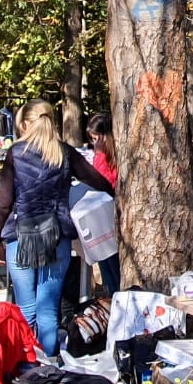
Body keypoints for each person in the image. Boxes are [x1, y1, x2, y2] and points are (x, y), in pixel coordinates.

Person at [0, 99, 112, 358]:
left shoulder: (16, 152)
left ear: (25, 125)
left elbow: (4, 203)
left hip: (20, 236)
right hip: (57, 236)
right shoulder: (64, 152)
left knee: (26, 308)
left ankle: (25, 361)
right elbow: (97, 180)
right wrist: (114, 193)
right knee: (48, 308)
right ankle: (50, 361)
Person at [84, 113, 122, 295]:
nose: (95, 144)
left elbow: (105, 182)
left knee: (114, 269)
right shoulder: (101, 156)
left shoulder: (114, 157)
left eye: (97, 139)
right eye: (92, 140)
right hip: (101, 220)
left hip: (113, 220)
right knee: (106, 267)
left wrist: (99, 156)